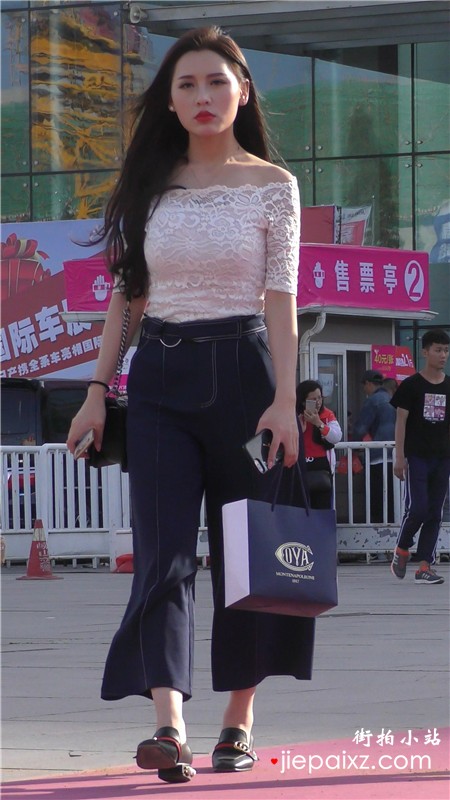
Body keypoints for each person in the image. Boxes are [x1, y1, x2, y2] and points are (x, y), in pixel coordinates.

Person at [66, 26, 315, 784]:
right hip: (161, 380)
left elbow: (281, 301)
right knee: (163, 554)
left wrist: (284, 401)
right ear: (169, 103)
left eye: (215, 82)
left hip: (246, 377)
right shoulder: (150, 184)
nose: (202, 96)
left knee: (249, 554)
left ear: (242, 91)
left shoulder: (274, 185)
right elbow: (128, 298)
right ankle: (168, 725)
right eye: (186, 85)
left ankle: (238, 720)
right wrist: (97, 392)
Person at [390, 329, 450, 585]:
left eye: (446, 350)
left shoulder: (448, 385)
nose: (443, 355)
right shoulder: (411, 385)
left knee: (435, 512)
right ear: (425, 352)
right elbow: (401, 422)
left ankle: (425, 565)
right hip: (417, 457)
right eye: (438, 350)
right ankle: (402, 547)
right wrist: (399, 456)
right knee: (418, 509)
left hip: (443, 458)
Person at [353, 369, 396, 523]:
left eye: (364, 386)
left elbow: (360, 428)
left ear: (368, 384)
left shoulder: (373, 401)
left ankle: (376, 526)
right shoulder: (392, 399)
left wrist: (354, 447)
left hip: (377, 456)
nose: (364, 390)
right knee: (391, 497)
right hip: (394, 455)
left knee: (376, 497)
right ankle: (392, 525)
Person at [296, 380, 342, 509]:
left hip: (321, 466)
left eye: (320, 398)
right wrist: (299, 429)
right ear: (303, 401)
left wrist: (319, 423)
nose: (317, 402)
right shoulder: (294, 415)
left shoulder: (327, 414)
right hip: (299, 464)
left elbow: (336, 437)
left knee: (322, 506)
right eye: (313, 399)